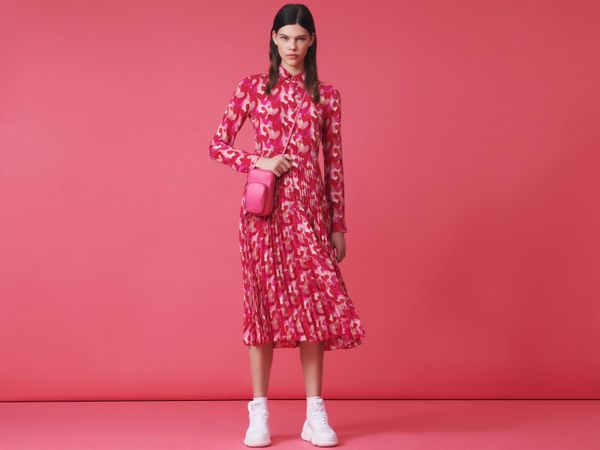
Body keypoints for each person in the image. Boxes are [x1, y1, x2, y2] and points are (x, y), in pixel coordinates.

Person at [208, 4, 366, 447]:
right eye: (285, 38)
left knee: (312, 307)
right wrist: (259, 160)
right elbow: (217, 145)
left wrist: (338, 226)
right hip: (264, 215)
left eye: (300, 38)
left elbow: (334, 164)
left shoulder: (326, 96)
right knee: (261, 309)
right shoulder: (253, 88)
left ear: (311, 41)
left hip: (311, 215)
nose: (292, 46)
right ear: (273, 40)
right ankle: (258, 412)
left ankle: (315, 412)